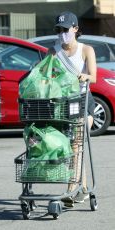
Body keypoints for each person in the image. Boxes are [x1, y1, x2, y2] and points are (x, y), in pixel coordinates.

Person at [48, 11, 97, 207]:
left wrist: (84, 76)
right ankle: (83, 189)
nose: (62, 34)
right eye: (59, 30)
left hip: (84, 101)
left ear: (75, 29)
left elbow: (94, 76)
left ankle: (70, 190)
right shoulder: (53, 52)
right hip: (63, 104)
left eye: (65, 29)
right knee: (73, 147)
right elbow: (46, 75)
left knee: (76, 144)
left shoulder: (86, 50)